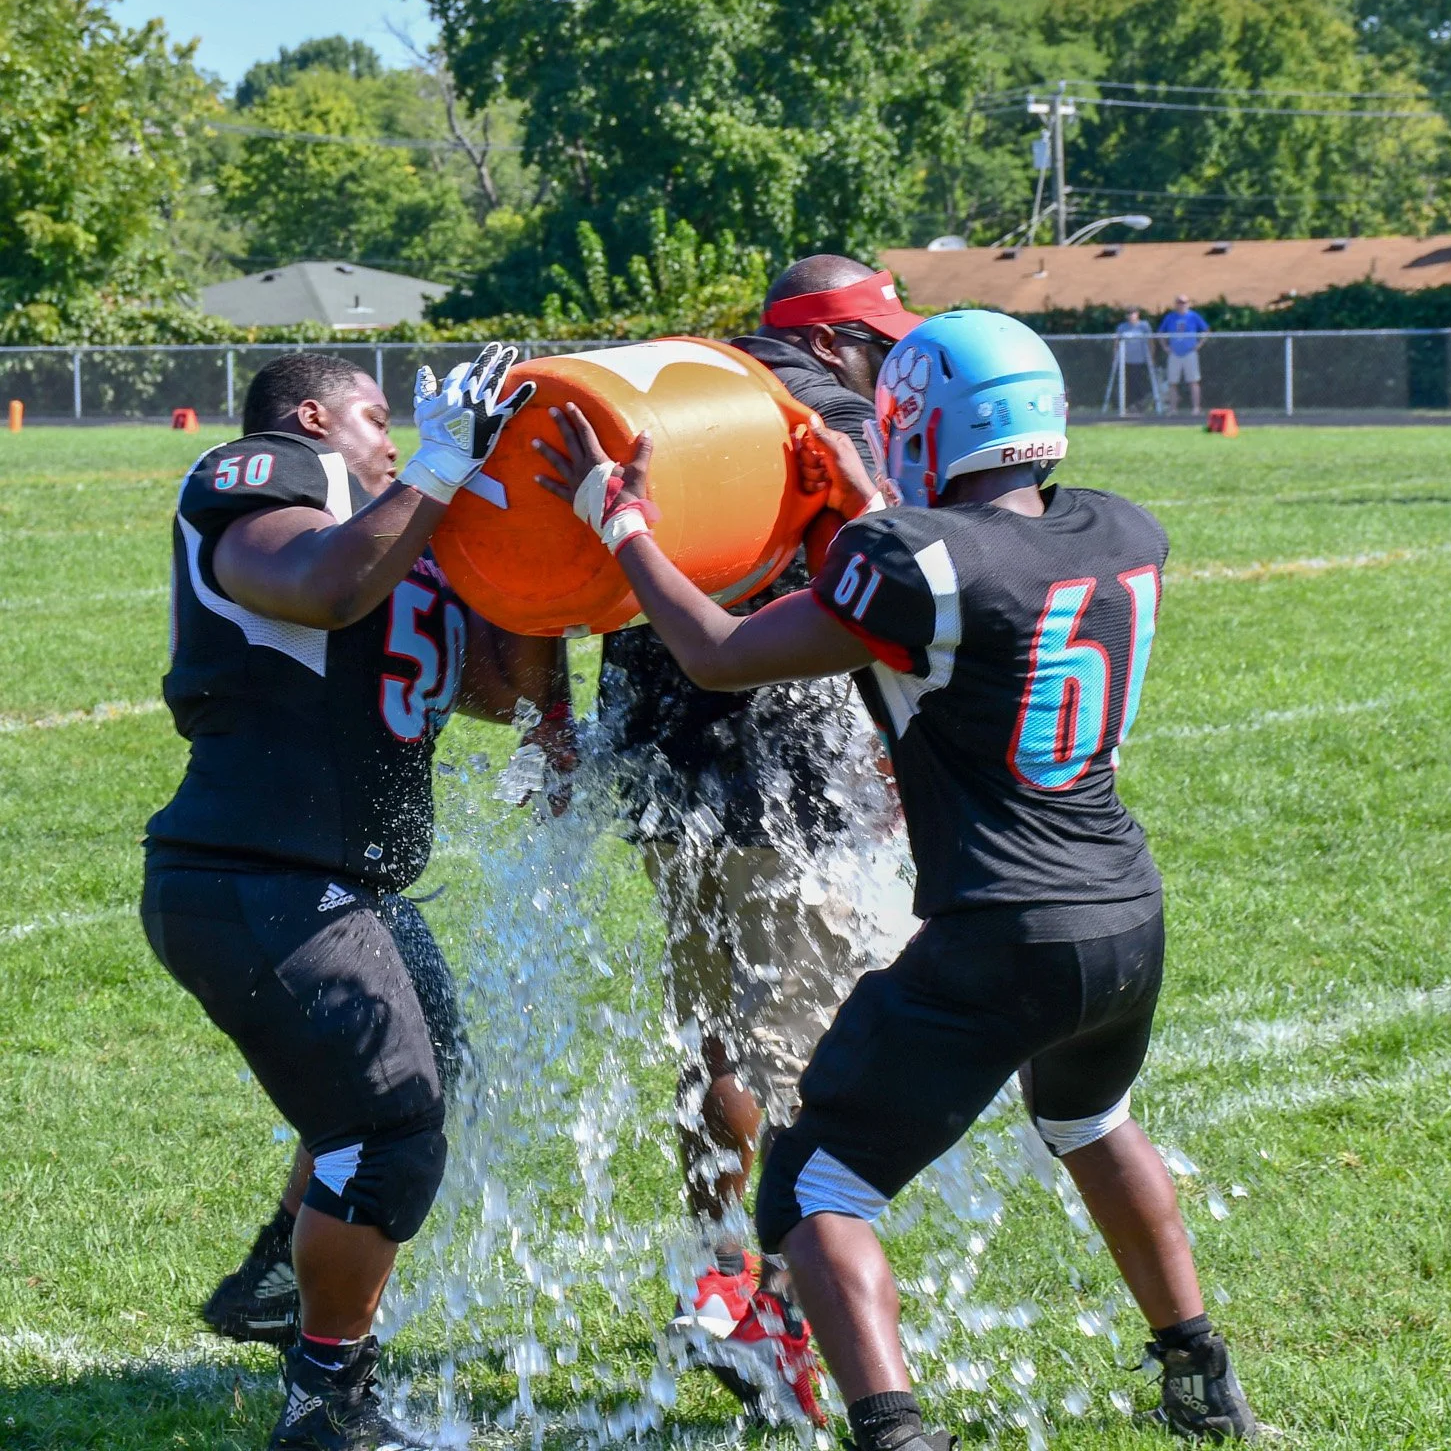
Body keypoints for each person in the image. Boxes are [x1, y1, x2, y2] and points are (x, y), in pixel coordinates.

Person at [533, 310, 1260, 1450]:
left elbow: (719, 652)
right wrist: (867, 502)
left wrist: (623, 524)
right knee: (1090, 1119)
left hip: (998, 923)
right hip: (1123, 911)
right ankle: (1199, 1375)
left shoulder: (912, 563)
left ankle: (894, 1432)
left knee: (811, 1188)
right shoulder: (1123, 529)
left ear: (923, 421)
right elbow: (979, 577)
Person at [143, 347, 568, 1451]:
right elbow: (321, 585)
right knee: (385, 1130)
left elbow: (481, 688)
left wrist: (545, 550)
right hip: (251, 870)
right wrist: (431, 469)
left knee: (414, 1084)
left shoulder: (395, 515)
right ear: (312, 416)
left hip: (339, 880)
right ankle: (326, 1403)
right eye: (377, 416)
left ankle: (274, 1286)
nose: (394, 435)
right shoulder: (265, 473)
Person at [595, 254, 915, 1426]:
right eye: (877, 339)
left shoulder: (682, 386)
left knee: (712, 1034)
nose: (889, 360)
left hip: (654, 747)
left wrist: (544, 719)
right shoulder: (834, 412)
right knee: (813, 1061)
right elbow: (899, 573)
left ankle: (717, 1276)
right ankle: (781, 1304)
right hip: (787, 760)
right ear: (833, 342)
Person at [1157, 294, 1209, 416]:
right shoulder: (1170, 317)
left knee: (1193, 381)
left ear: (1188, 303)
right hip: (1174, 353)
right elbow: (1160, 332)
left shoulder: (1194, 316)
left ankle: (1196, 408)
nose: (1182, 305)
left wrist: (1199, 344)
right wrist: (1165, 346)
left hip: (1190, 353)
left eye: (1184, 302)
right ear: (1176, 304)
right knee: (1172, 382)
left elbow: (1206, 330)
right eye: (1179, 302)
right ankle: (1173, 409)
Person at [1113, 308, 1157, 416]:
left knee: (1139, 383)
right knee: (1127, 384)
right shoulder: (1122, 327)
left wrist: (1151, 356)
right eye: (1128, 313)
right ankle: (1128, 406)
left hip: (1140, 360)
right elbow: (1116, 343)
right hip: (1126, 361)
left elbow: (1151, 341)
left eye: (1133, 313)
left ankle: (1141, 405)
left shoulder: (1144, 326)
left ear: (1137, 314)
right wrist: (1115, 358)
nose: (1131, 315)